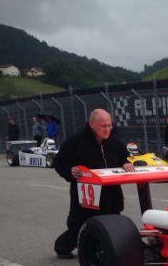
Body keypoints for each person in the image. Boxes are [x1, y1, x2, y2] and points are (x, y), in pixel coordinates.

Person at [53, 109, 135, 258]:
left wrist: (126, 163)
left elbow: (125, 157)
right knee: (79, 225)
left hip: (111, 192)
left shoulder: (114, 142)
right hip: (85, 192)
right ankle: (62, 247)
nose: (107, 129)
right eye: (103, 126)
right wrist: (70, 170)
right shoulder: (75, 142)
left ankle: (106, 250)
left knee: (112, 222)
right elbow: (59, 163)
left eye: (109, 125)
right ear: (92, 125)